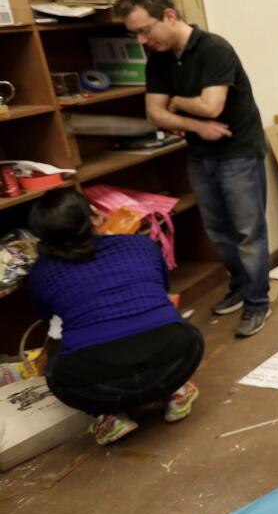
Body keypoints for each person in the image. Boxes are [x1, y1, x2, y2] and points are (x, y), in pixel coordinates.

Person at [115, 0, 271, 338]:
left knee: (249, 232)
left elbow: (210, 105)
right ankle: (240, 286)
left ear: (169, 16)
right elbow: (155, 114)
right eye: (134, 33)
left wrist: (179, 104)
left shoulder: (214, 48)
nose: (141, 40)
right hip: (202, 154)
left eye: (145, 30)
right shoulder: (158, 58)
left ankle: (258, 302)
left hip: (238, 151)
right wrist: (196, 124)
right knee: (218, 231)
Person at [26, 189, 205, 445]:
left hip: (99, 382)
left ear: (41, 238)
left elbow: (47, 315)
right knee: (187, 332)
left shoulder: (41, 274)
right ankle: (175, 393)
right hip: (176, 359)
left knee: (56, 365)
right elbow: (162, 289)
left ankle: (109, 414)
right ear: (95, 218)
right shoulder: (141, 245)